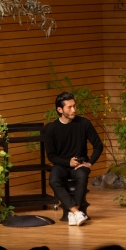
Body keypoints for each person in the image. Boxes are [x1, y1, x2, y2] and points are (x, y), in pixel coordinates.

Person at [44, 92, 103, 227]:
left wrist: (90, 162)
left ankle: (72, 214)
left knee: (82, 175)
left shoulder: (84, 123)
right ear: (60, 110)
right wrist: (67, 162)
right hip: (61, 164)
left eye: (74, 106)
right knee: (53, 180)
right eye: (69, 107)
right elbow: (51, 156)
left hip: (80, 163)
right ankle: (76, 211)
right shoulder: (51, 129)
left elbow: (98, 145)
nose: (74, 110)